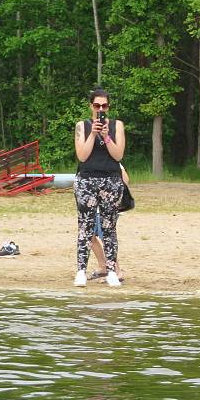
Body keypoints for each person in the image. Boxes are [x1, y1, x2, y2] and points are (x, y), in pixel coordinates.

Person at [73, 88, 126, 288]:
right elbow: (82, 156)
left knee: (109, 228)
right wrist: (93, 134)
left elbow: (118, 155)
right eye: (97, 105)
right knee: (85, 227)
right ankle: (81, 271)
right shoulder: (82, 126)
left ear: (108, 107)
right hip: (86, 180)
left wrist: (106, 136)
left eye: (104, 106)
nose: (100, 109)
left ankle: (112, 270)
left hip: (110, 180)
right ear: (91, 106)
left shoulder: (117, 126)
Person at [89, 164, 129, 282]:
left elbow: (125, 178)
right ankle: (103, 267)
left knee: (106, 237)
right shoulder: (90, 159)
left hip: (106, 207)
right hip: (93, 207)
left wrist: (114, 196)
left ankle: (117, 271)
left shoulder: (110, 159)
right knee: (89, 236)